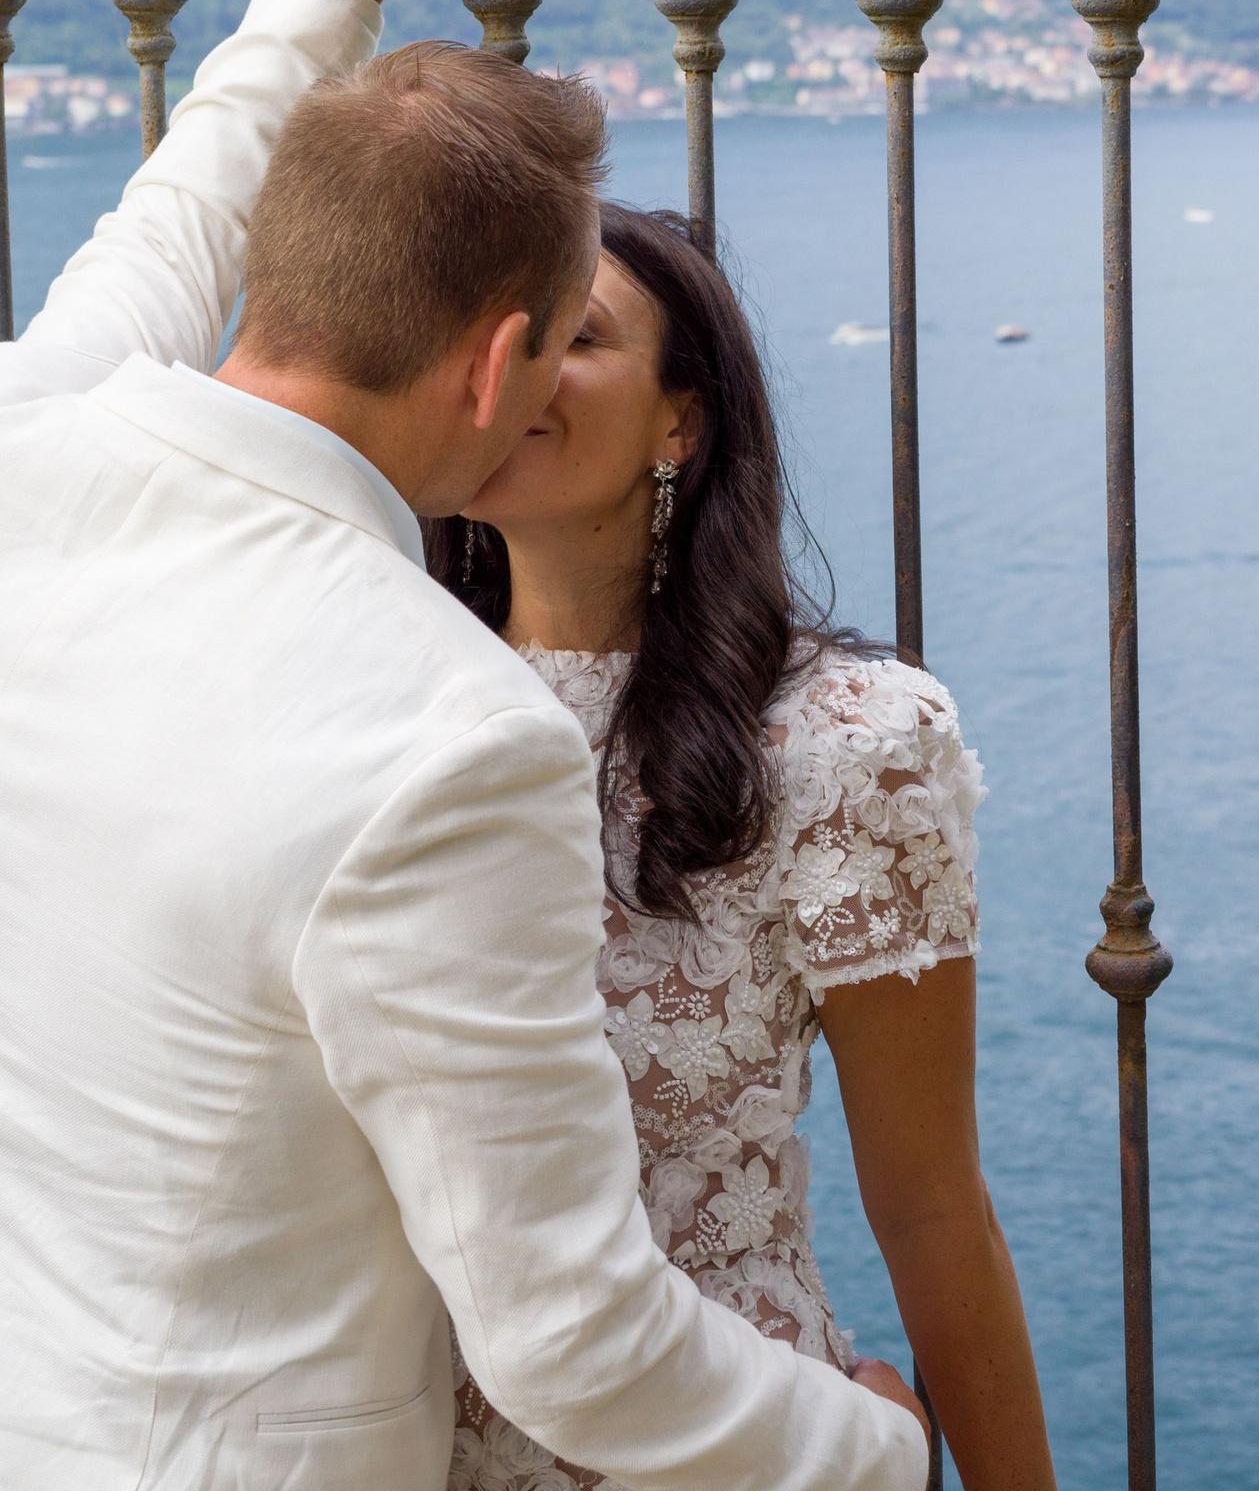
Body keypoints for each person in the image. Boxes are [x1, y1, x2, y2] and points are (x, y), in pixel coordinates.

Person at [0, 0, 930, 1491]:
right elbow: (574, 1340)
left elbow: (171, 220)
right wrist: (873, 1450)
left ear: (288, 270)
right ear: (497, 363)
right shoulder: (446, 740)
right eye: (556, 347)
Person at [432, 205, 1059, 1491]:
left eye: (576, 337)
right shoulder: (376, 699)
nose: (517, 369)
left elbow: (931, 1203)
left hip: (731, 1444)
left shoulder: (842, 742)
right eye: (497, 334)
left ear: (683, 421)